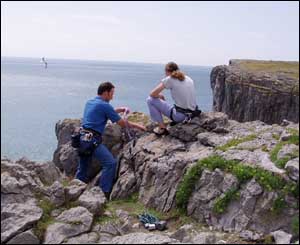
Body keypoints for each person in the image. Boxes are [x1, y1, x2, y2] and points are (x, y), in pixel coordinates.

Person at [75, 82, 146, 200]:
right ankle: (103, 193)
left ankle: (74, 192)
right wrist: (138, 126)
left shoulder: (90, 102)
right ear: (106, 93)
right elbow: (122, 123)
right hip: (93, 140)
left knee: (83, 168)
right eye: (112, 94)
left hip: (82, 139)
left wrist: (120, 109)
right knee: (110, 163)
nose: (112, 97)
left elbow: (106, 112)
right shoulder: (105, 106)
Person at [146, 62, 200, 136]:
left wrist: (159, 96)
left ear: (167, 71)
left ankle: (162, 128)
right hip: (193, 114)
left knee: (150, 100)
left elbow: (152, 94)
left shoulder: (170, 78)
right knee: (175, 106)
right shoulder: (188, 78)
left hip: (180, 116)